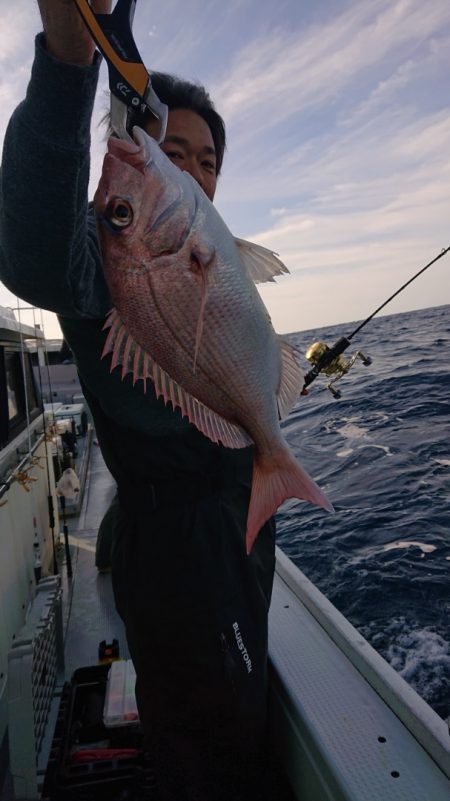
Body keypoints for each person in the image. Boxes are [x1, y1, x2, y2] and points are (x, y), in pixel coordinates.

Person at [0, 3, 278, 799]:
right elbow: (33, 249)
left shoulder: (208, 251)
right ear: (135, 146)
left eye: (207, 159)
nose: (192, 169)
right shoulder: (107, 256)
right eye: (171, 149)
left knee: (237, 710)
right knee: (215, 748)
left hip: (240, 520)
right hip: (181, 550)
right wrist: (68, 58)